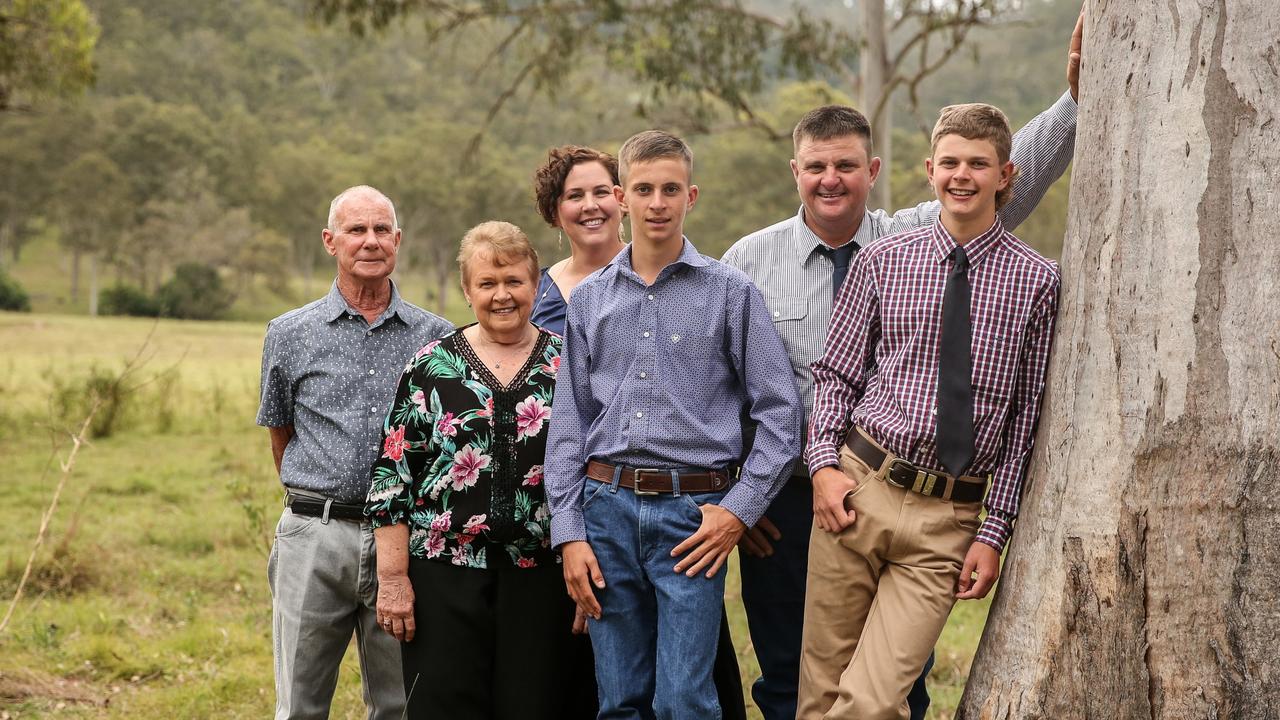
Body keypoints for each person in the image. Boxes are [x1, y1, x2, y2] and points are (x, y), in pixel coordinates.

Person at [719, 12, 1085, 719]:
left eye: (846, 166)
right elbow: (720, 381)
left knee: (891, 690)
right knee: (794, 683)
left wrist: (1074, 101)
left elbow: (1008, 172)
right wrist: (742, 494)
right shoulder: (747, 262)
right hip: (791, 498)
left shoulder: (906, 239)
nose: (832, 180)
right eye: (817, 167)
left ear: (874, 171)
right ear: (796, 171)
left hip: (919, 492)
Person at [798, 102, 1060, 719]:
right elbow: (835, 374)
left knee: (873, 703)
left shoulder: (1039, 281)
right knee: (820, 694)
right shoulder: (882, 260)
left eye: (978, 163)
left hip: (948, 519)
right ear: (929, 169)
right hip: (859, 490)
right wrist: (823, 468)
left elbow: (1026, 421)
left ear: (1006, 175)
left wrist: (993, 532)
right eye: (950, 162)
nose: (961, 175)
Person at [545, 130, 803, 719]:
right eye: (643, 189)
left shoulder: (731, 293)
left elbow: (780, 414)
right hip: (605, 510)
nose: (656, 202)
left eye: (669, 189)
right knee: (619, 701)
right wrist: (570, 532)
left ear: (692, 196)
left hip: (693, 520)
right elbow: (569, 423)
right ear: (620, 196)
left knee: (685, 698)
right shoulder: (587, 301)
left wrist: (739, 510)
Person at [364, 220, 595, 718]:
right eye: (487, 283)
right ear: (468, 291)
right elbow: (392, 479)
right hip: (443, 576)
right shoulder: (430, 367)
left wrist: (590, 578)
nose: (502, 295)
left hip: (545, 578)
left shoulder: (570, 364)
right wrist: (394, 579)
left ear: (536, 286)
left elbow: (594, 474)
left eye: (514, 281)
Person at [256, 185, 452, 720]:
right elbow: (281, 434)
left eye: (381, 230)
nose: (370, 241)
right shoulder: (289, 333)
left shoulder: (436, 338)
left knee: (399, 703)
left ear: (398, 240)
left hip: (406, 545)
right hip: (314, 536)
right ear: (329, 241)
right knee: (299, 703)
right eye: (356, 230)